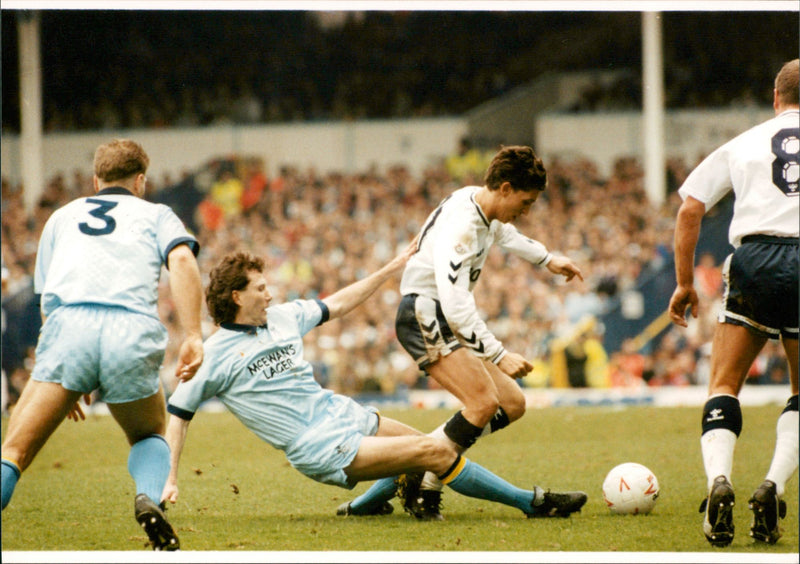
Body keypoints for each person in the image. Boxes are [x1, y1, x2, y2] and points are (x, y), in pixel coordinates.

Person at [161, 247, 587, 524]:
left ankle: (365, 506)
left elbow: (341, 302)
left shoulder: (283, 317)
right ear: (237, 296)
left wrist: (390, 268)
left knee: (428, 447)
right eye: (260, 287)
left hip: (343, 412)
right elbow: (178, 417)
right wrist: (170, 478)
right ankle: (531, 503)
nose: (270, 293)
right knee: (436, 451)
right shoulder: (212, 355)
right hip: (317, 445)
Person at [343, 145, 584, 520]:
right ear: (505, 188)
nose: (528, 209)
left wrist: (547, 258)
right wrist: (499, 354)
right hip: (425, 313)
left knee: (512, 404)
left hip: (441, 315)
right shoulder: (461, 227)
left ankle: (412, 471)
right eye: (526, 200)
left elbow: (504, 233)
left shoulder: (478, 204)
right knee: (483, 404)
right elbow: (455, 305)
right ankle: (426, 490)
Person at [0, 139, 205, 551]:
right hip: (129, 328)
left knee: (13, 452)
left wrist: (62, 374)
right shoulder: (157, 214)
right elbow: (182, 261)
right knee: (149, 433)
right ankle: (148, 494)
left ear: (96, 180)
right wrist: (194, 335)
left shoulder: (61, 217)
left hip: (68, 328)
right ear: (141, 181)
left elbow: (46, 299)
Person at [668, 59, 799, 547]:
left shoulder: (744, 142)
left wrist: (684, 284)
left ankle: (718, 483)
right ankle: (773, 486)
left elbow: (690, 209)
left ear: (775, 96)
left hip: (756, 255)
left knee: (724, 382)